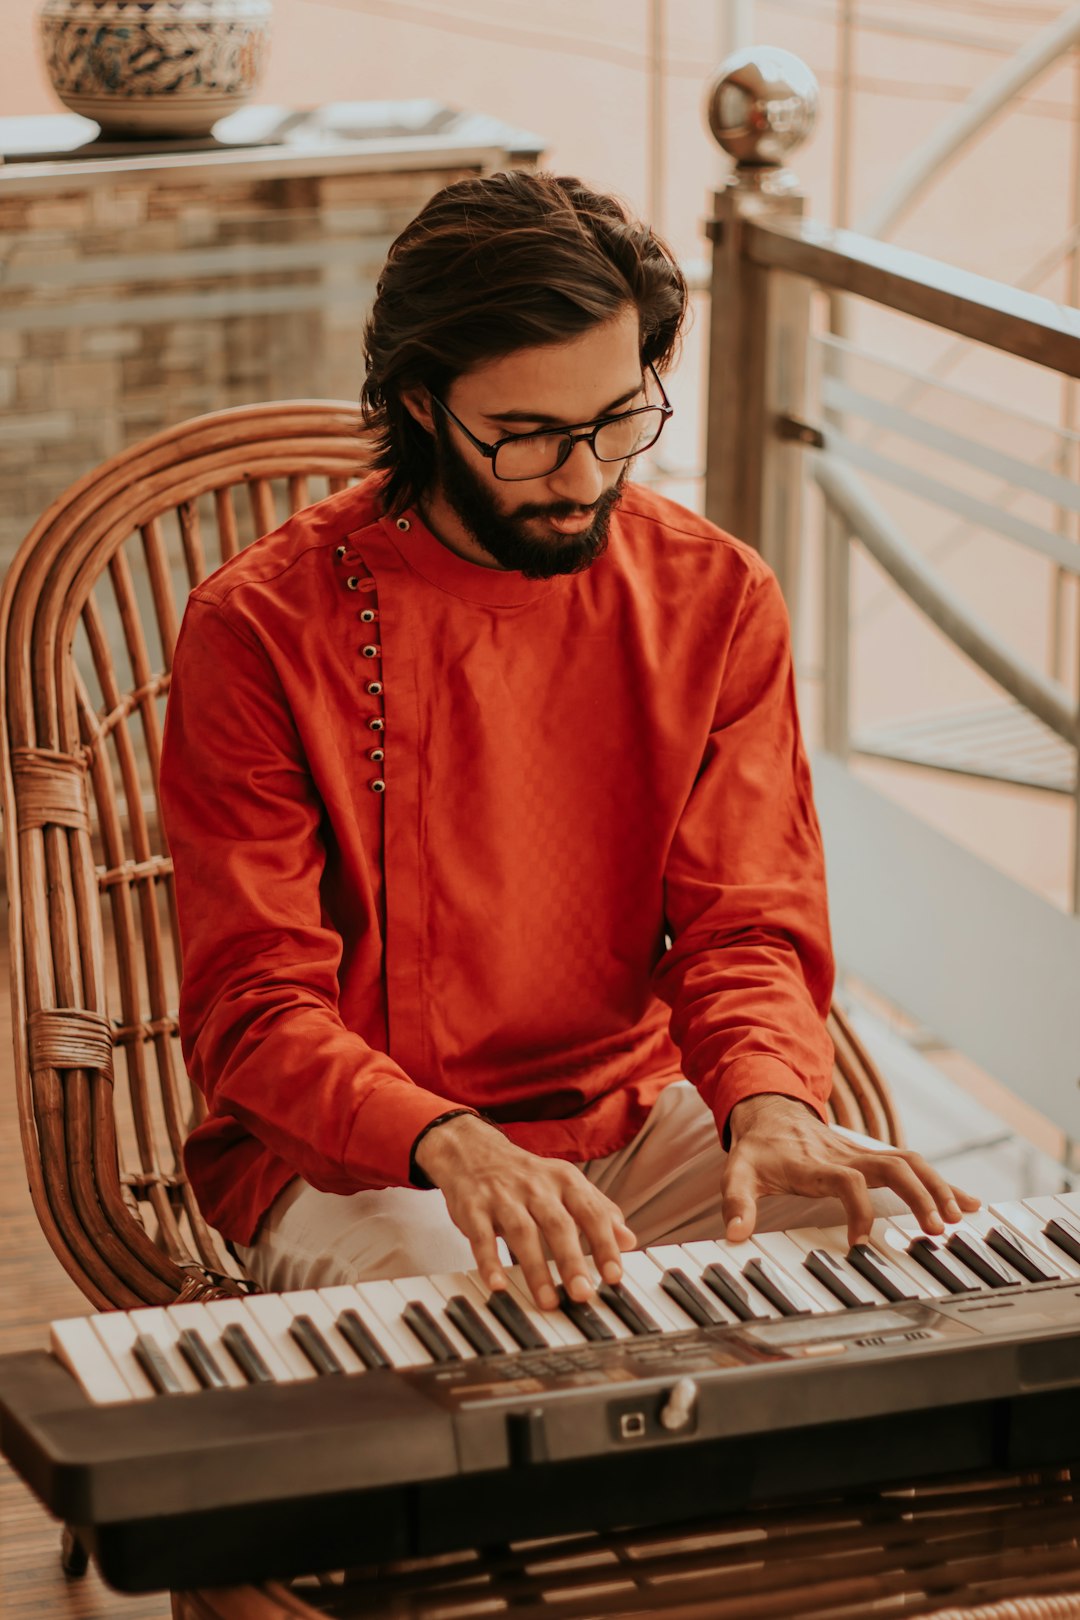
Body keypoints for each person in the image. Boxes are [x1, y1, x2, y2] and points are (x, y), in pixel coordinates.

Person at [160, 169, 978, 1311]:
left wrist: (770, 1102)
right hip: (364, 1163)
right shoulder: (259, 628)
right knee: (479, 1331)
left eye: (616, 422)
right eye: (529, 436)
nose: (585, 479)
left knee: (899, 1254)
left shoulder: (715, 596)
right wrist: (451, 1143)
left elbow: (745, 922)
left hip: (640, 1120)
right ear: (417, 403)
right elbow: (254, 1008)